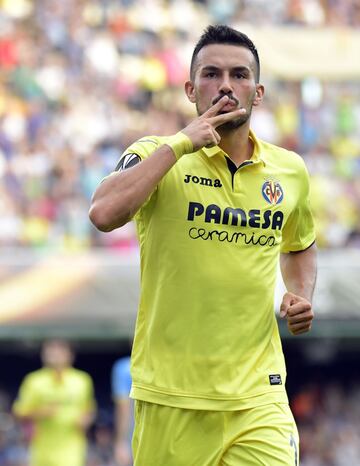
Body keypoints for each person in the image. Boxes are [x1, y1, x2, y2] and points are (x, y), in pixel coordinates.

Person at [89, 24, 317, 465]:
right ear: (191, 88)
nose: (226, 85)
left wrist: (300, 296)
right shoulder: (156, 153)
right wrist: (180, 144)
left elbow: (301, 244)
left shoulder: (290, 170)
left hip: (258, 397)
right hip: (171, 397)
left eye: (239, 74)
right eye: (212, 74)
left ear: (258, 91)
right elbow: (102, 213)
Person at [13, 339, 96, 466]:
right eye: (51, 352)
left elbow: (89, 409)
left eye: (60, 352)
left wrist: (86, 420)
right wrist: (41, 412)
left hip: (72, 447)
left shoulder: (82, 380)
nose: (55, 356)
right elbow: (18, 412)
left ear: (70, 355)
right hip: (41, 448)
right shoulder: (33, 381)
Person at [111, 356, 133, 466]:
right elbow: (123, 407)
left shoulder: (125, 367)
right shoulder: (125, 367)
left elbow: (123, 408)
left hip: (136, 439)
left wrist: (121, 441)